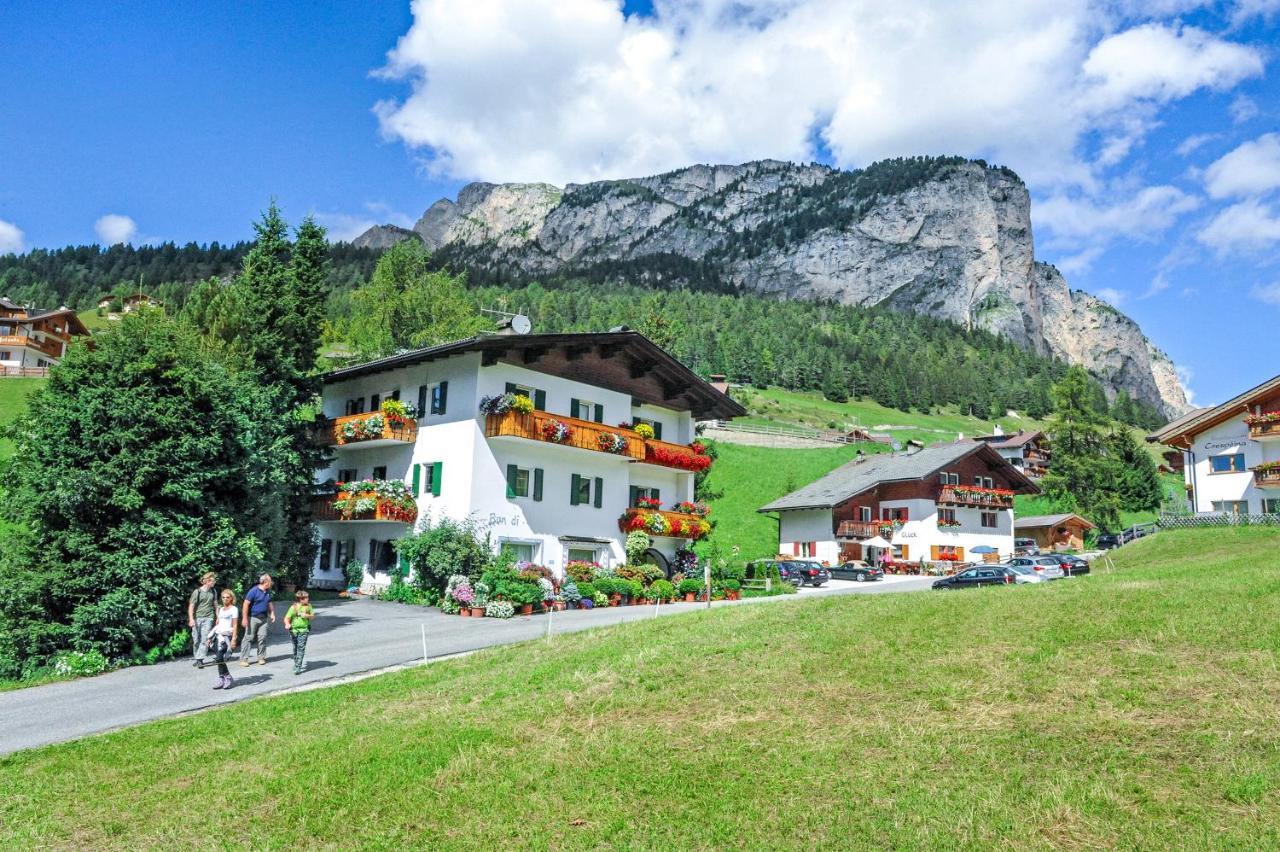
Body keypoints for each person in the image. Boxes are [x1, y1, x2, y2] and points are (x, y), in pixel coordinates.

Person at [239, 574, 275, 666]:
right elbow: (245, 604)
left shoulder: (267, 591)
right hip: (253, 618)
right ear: (265, 582)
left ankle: (261, 657)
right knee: (248, 638)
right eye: (270, 581)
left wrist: (272, 613)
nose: (271, 583)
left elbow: (269, 602)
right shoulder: (253, 591)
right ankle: (244, 659)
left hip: (264, 619)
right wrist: (244, 618)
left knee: (262, 638)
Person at [187, 572, 217, 668]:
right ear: (207, 581)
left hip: (209, 617)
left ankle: (200, 659)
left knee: (205, 639)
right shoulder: (197, 592)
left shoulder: (213, 592)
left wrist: (218, 617)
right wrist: (191, 619)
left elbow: (216, 605)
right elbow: (191, 606)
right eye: (213, 581)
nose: (214, 582)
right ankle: (197, 657)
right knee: (196, 639)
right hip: (197, 618)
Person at [284, 591, 316, 675]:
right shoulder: (293, 607)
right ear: (301, 599)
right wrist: (287, 624)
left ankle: (298, 666)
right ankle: (296, 663)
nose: (308, 599)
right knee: (295, 648)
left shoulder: (309, 606)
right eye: (306, 598)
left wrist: (307, 615)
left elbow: (313, 616)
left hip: (304, 630)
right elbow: (286, 618)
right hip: (293, 631)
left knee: (301, 648)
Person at [212, 589, 239, 690]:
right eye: (223, 597)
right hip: (218, 636)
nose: (225, 599)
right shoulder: (221, 609)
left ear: (231, 598)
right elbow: (218, 624)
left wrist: (234, 639)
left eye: (227, 597)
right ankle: (221, 678)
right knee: (219, 658)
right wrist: (211, 637)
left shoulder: (234, 609)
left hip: (227, 636)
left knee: (219, 658)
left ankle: (228, 677)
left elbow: (235, 625)